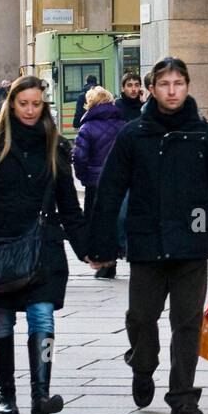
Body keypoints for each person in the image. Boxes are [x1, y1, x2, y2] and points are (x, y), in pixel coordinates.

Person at [87, 57, 208, 414]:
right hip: (146, 244)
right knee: (141, 318)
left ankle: (183, 396)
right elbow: (111, 189)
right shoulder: (134, 135)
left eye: (179, 83)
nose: (172, 90)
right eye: (165, 84)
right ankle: (143, 363)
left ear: (188, 86)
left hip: (191, 245)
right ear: (152, 89)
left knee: (188, 323)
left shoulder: (204, 136)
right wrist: (101, 245)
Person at [0, 75, 87, 414]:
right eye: (23, 103)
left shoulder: (55, 146)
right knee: (0, 320)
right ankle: (6, 394)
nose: (30, 110)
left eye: (36, 104)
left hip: (43, 245)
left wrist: (86, 248)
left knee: (42, 316)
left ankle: (41, 395)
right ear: (11, 104)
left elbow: (69, 206)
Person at [72, 86, 125, 278]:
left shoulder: (87, 128)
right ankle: (113, 260)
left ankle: (104, 263)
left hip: (94, 183)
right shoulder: (122, 125)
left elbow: (79, 157)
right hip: (118, 182)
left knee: (96, 224)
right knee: (114, 221)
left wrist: (83, 176)